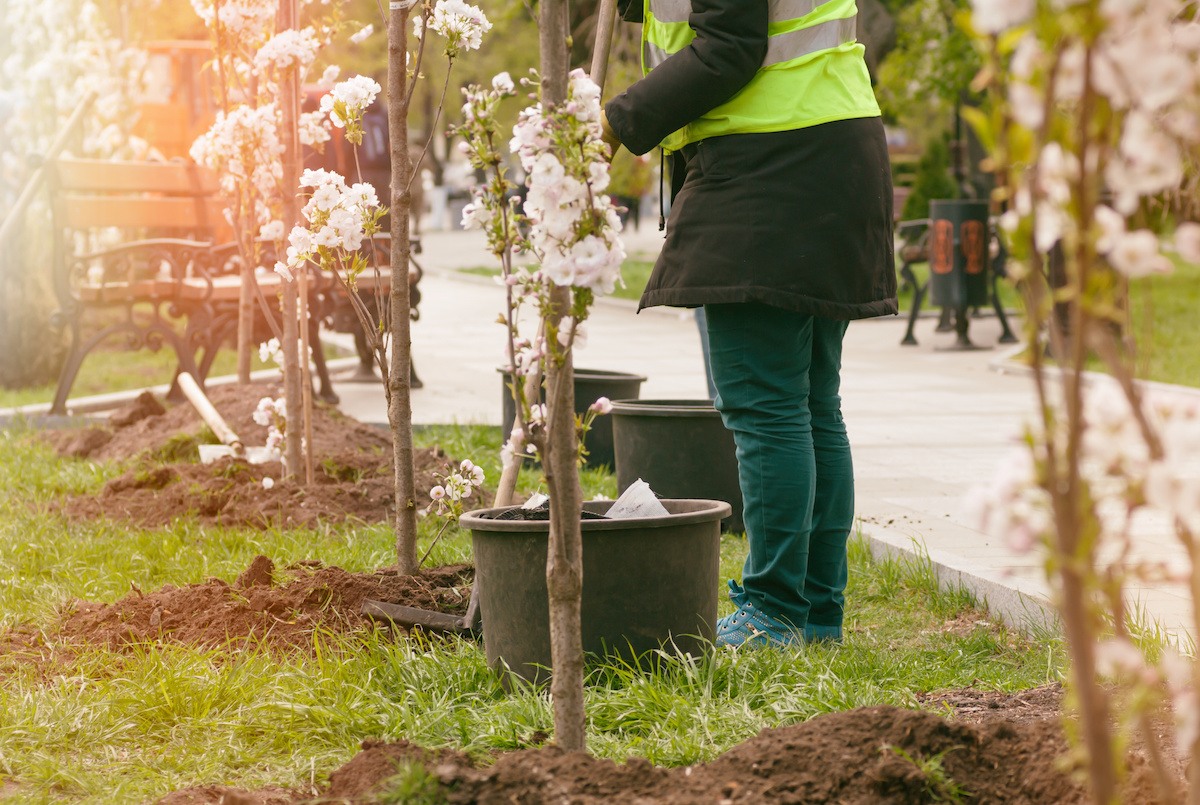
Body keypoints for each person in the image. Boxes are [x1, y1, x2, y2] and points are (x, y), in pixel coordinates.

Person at [601, 0, 898, 648]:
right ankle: (814, 613)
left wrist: (616, 123)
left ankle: (773, 609)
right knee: (811, 403)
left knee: (766, 405)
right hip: (830, 144)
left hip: (771, 162)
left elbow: (728, 43)